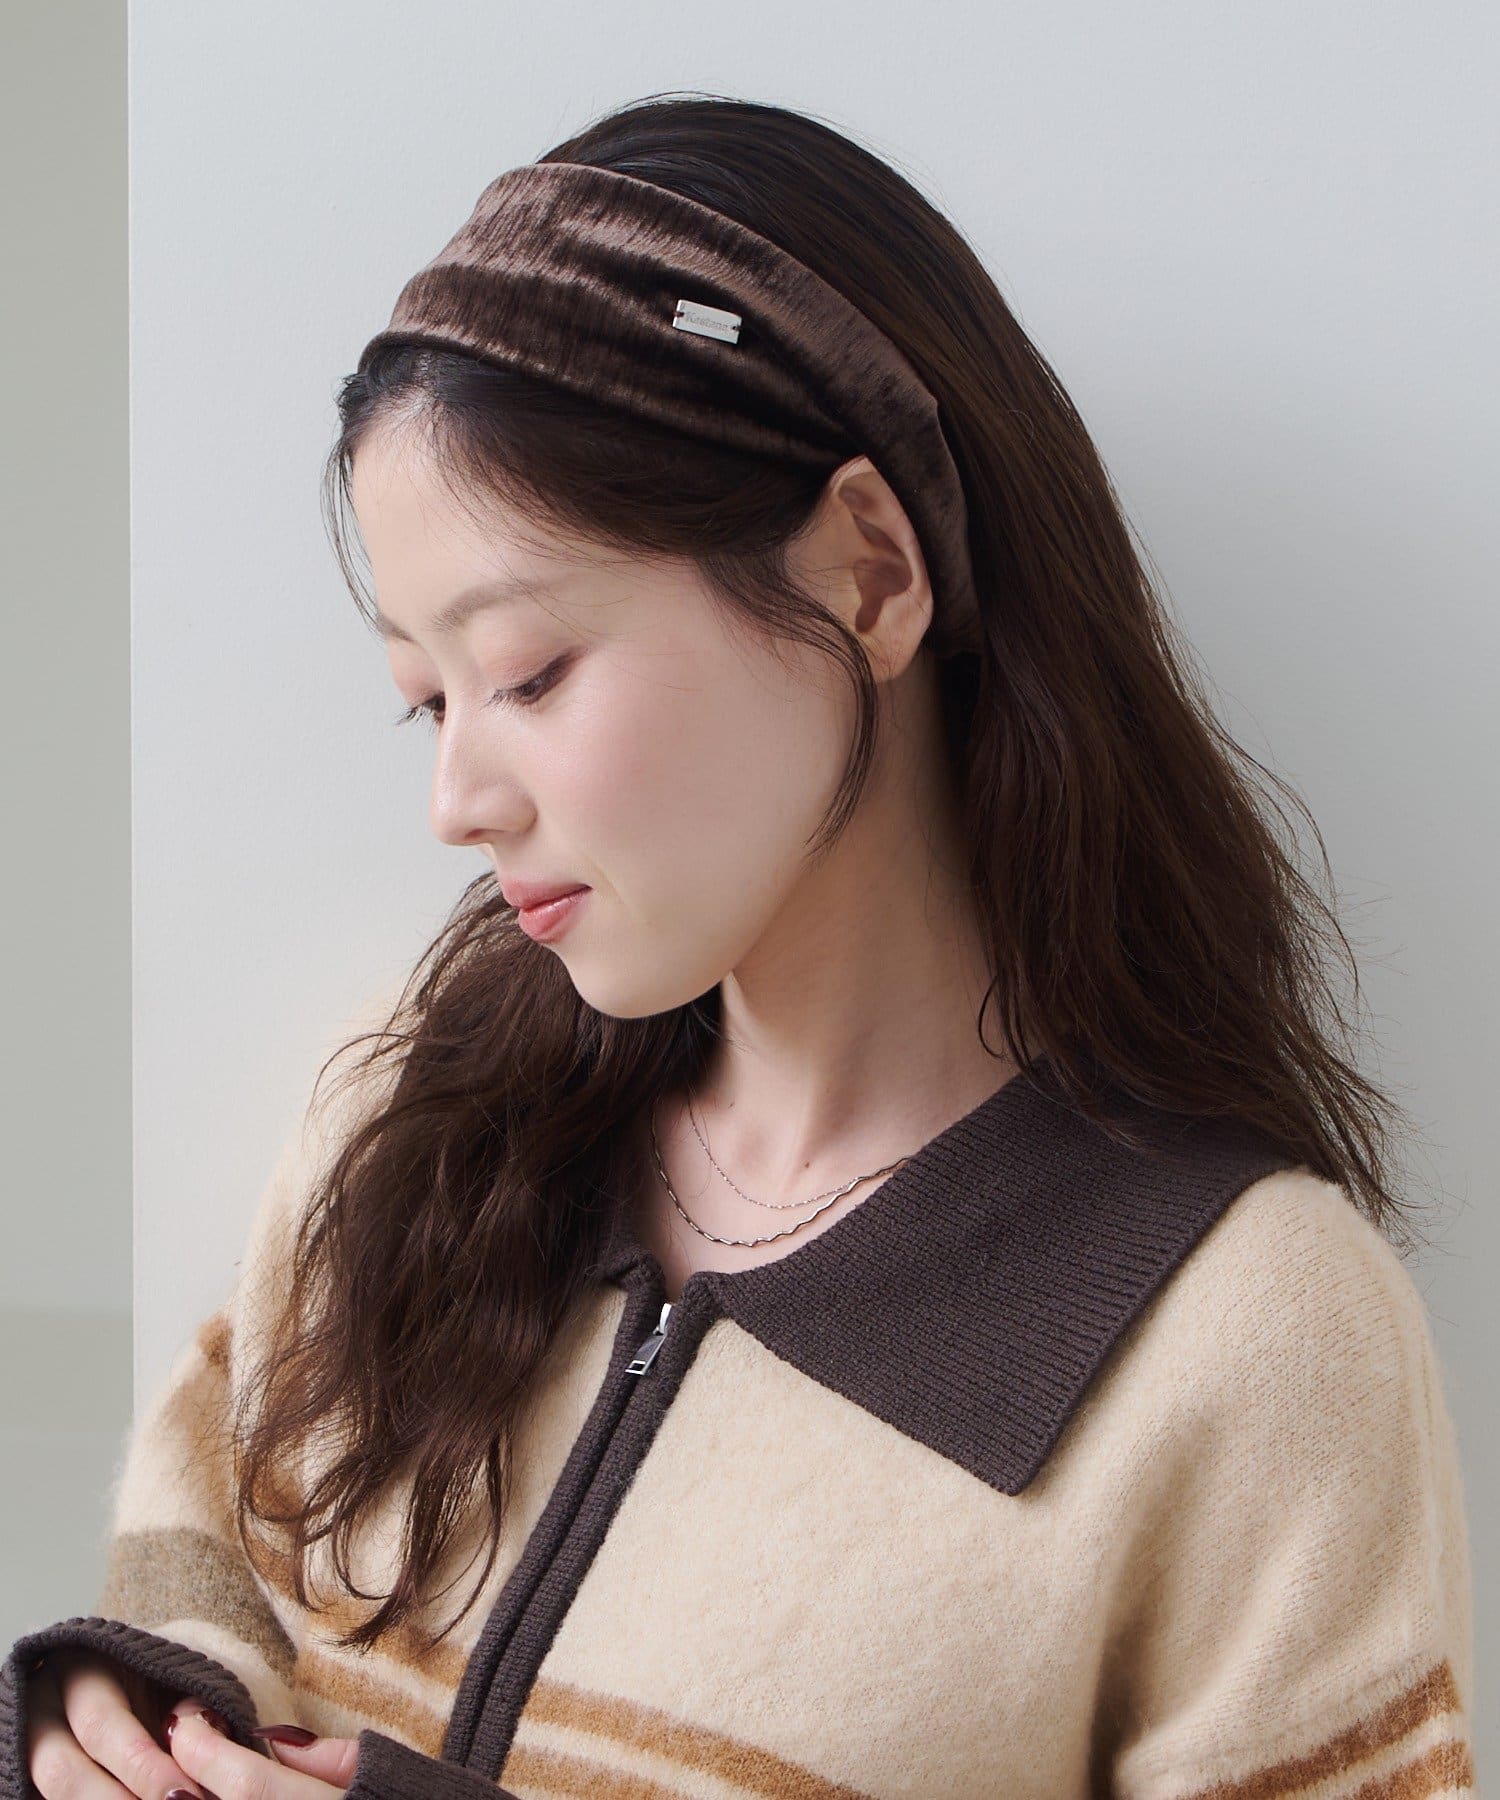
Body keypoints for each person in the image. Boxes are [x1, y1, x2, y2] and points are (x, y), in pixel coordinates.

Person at [4, 91, 1476, 1800]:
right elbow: (210, 1537)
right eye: (427, 701)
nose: (458, 801)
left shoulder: (1246, 1341)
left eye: (531, 672)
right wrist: (125, 1703)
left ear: (868, 575)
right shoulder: (413, 1118)